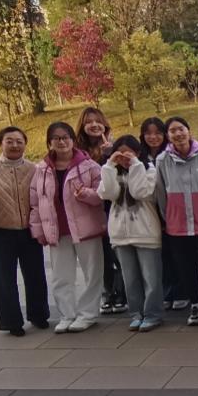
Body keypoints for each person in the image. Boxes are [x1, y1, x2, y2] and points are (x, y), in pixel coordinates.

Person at [29, 121, 107, 333]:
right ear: (49, 142)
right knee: (61, 276)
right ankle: (67, 315)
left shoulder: (90, 166)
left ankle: (88, 314)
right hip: (58, 230)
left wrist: (86, 194)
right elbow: (35, 203)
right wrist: (38, 230)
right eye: (56, 138)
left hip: (86, 229)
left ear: (73, 140)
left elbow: (102, 195)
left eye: (65, 137)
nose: (61, 141)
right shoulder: (41, 169)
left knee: (92, 273)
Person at [0, 126, 49, 336]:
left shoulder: (34, 169)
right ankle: (11, 321)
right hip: (1, 233)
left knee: (36, 276)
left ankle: (39, 315)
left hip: (29, 232)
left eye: (19, 141)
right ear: (0, 144)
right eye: (9, 141)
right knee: (4, 280)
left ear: (25, 144)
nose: (15, 145)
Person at [155, 116, 198, 335]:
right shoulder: (162, 160)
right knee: (186, 270)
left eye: (181, 129)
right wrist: (168, 219)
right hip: (178, 227)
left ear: (189, 131)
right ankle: (195, 305)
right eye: (173, 131)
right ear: (168, 136)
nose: (178, 134)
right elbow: (161, 194)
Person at [98, 135, 163, 331]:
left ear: (138, 153)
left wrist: (135, 165)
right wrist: (109, 165)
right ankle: (136, 314)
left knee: (151, 278)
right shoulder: (113, 172)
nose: (124, 158)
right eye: (120, 154)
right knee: (130, 278)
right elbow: (107, 194)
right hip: (120, 233)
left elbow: (139, 192)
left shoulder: (149, 169)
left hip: (146, 232)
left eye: (129, 153)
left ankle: (152, 314)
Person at [76, 107, 126, 317]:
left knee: (118, 254)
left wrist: (109, 155)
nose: (94, 125)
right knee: (100, 256)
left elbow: (122, 176)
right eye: (89, 121)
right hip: (89, 209)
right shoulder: (77, 152)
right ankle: (108, 294)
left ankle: (121, 294)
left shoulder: (114, 147)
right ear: (82, 126)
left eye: (98, 121)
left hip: (112, 208)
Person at [140, 117, 184, 311]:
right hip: (150, 213)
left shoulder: (172, 154)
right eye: (148, 133)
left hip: (172, 211)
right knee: (160, 257)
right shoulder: (139, 157)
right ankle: (166, 292)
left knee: (176, 254)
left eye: (158, 133)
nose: (153, 137)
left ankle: (181, 292)